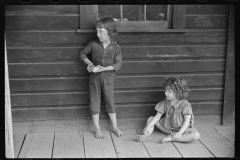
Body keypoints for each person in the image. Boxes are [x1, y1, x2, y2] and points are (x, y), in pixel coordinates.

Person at [79, 17, 123, 139]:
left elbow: (118, 64)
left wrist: (103, 69)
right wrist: (90, 64)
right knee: (94, 102)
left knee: (110, 102)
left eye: (101, 31)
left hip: (108, 80)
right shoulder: (93, 44)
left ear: (110, 32)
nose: (98, 34)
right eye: (97, 31)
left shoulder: (116, 47)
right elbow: (82, 54)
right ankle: (97, 128)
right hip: (94, 79)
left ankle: (114, 126)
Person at [136, 77, 200, 143]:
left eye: (169, 91)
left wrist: (180, 133)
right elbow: (158, 116)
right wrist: (148, 126)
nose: (166, 93)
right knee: (150, 119)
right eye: (166, 90)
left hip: (182, 129)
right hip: (167, 128)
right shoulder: (165, 102)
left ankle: (172, 138)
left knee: (196, 135)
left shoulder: (185, 104)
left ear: (178, 93)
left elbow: (187, 121)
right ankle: (147, 135)